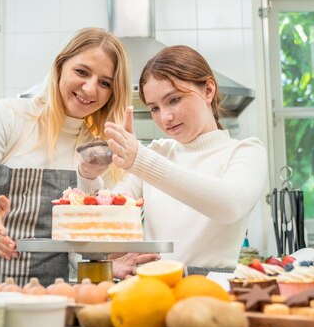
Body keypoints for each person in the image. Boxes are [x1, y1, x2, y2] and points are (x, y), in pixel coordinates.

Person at [0, 28, 145, 290]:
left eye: (105, 83)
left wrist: (103, 262)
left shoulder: (98, 150)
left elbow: (73, 241)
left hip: (45, 294)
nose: (89, 88)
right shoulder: (8, 116)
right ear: (60, 66)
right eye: (82, 72)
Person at [78, 45, 268, 276]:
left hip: (211, 292)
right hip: (151, 288)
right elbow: (109, 214)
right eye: (154, 108)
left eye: (174, 99)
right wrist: (89, 176)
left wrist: (140, 159)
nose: (165, 117)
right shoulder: (158, 152)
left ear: (208, 90)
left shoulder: (246, 151)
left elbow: (229, 205)